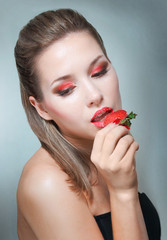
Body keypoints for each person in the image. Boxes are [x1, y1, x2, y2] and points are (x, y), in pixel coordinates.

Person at [14, 9, 161, 240]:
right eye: (67, 89)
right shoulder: (45, 184)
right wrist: (123, 192)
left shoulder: (105, 151)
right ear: (41, 108)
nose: (94, 94)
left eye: (99, 71)